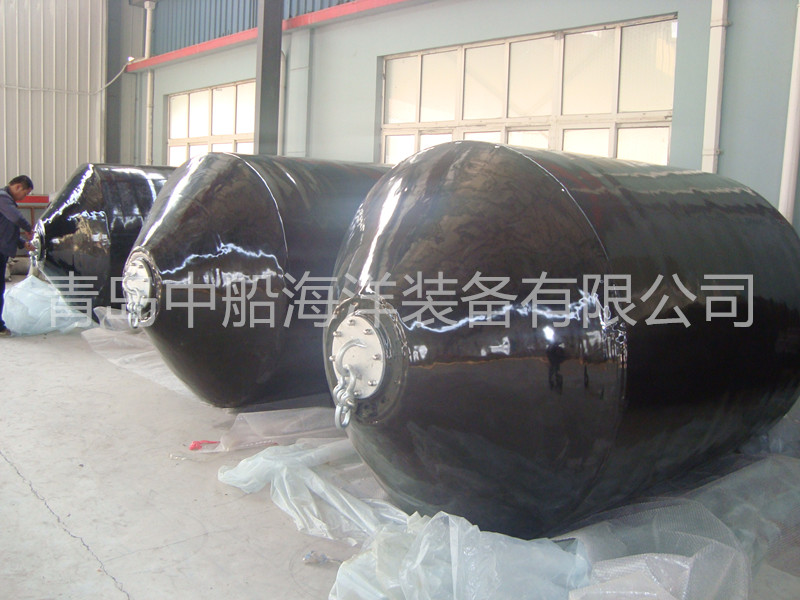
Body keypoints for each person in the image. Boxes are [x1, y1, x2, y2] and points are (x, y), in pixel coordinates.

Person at [0, 175, 35, 336]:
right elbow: (16, 218)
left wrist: (22, 243)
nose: (24, 197)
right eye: (25, 193)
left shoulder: (6, 202)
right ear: (18, 187)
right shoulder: (3, 198)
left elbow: (6, 230)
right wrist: (29, 229)